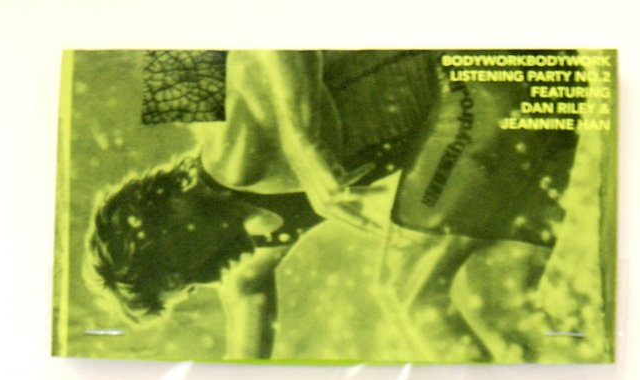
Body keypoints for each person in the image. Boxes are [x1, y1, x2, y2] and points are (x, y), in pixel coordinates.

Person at [84, 51, 578, 361]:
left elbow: (266, 30)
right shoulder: (247, 266)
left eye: (188, 275)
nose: (212, 280)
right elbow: (245, 364)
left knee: (412, 292)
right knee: (503, 299)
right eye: (194, 288)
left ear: (173, 232)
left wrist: (303, 143)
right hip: (541, 97)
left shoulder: (222, 143)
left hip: (484, 70)